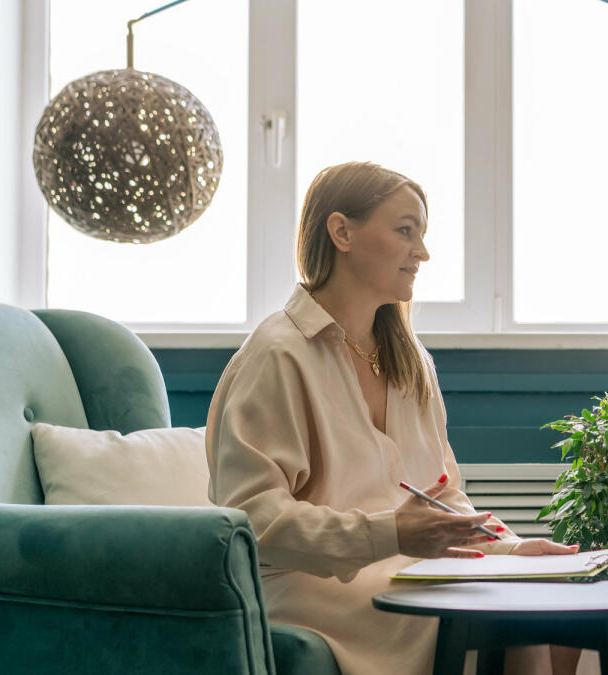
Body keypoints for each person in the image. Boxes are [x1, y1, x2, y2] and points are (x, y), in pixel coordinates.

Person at [206, 161, 578, 675]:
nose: (422, 253)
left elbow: (442, 495)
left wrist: (510, 548)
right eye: (406, 231)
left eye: (422, 236)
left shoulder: (410, 360)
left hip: (405, 570)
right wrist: (391, 536)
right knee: (509, 621)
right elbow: (251, 519)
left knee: (559, 617)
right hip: (308, 586)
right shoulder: (277, 354)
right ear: (342, 231)